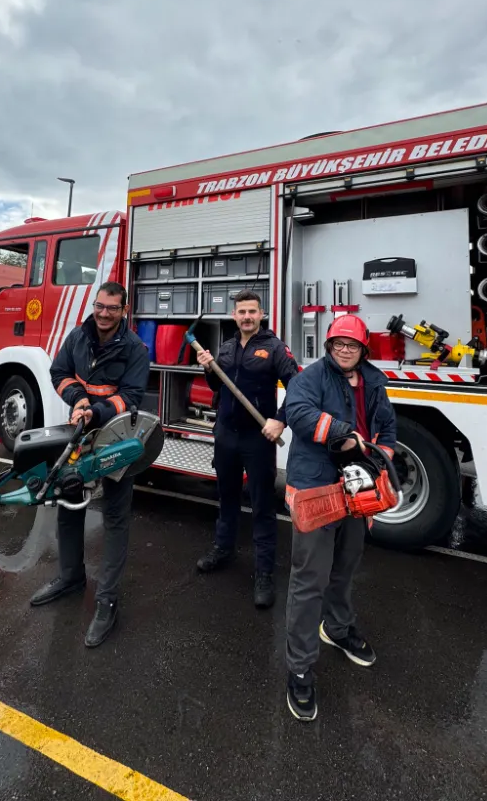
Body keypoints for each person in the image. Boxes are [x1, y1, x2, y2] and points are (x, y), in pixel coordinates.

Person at [282, 314, 397, 721]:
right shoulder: (310, 378)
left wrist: (378, 460)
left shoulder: (375, 381)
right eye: (338, 345)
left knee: (345, 568)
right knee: (309, 579)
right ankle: (299, 668)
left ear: (364, 349)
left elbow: (386, 429)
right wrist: (344, 436)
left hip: (357, 490)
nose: (345, 350)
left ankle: (338, 628)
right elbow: (297, 412)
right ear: (329, 347)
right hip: (317, 489)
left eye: (352, 345)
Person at [30, 281, 150, 648]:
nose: (103, 313)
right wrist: (77, 398)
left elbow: (130, 397)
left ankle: (107, 601)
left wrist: (94, 410)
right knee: (69, 502)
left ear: (123, 311)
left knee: (115, 517)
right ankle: (71, 577)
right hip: (78, 434)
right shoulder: (78, 336)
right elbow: (58, 372)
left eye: (112, 308)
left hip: (114, 438)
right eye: (100, 306)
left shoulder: (135, 349)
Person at [195, 289, 299, 608]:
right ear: (234, 316)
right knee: (226, 497)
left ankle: (264, 572)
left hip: (257, 439)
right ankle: (223, 550)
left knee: (262, 505)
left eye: (252, 311)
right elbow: (218, 388)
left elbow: (297, 387)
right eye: (241, 312)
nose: (247, 317)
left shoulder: (274, 348)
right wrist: (209, 368)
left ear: (261, 314)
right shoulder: (225, 349)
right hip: (226, 435)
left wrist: (280, 420)